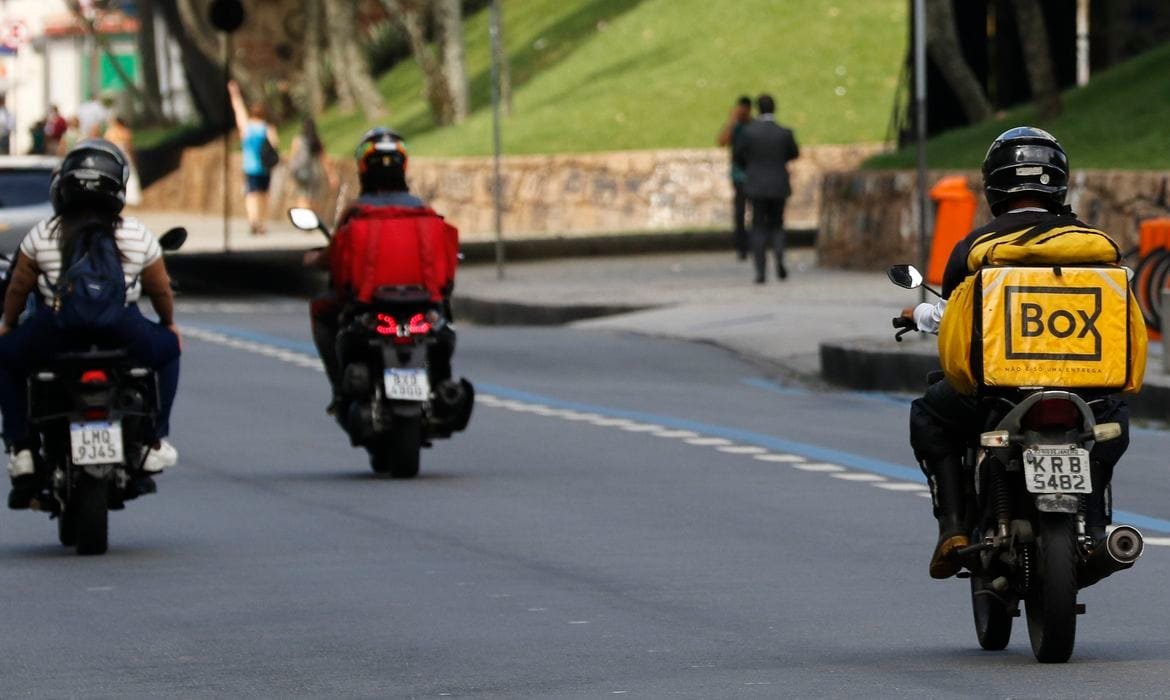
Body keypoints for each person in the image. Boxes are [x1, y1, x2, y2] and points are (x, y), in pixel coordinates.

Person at [904, 127, 1132, 579]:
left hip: (998, 393)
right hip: (1087, 392)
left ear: (994, 184)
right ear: (1059, 183)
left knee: (928, 415)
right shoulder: (1095, 246)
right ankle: (1095, 527)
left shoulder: (976, 248)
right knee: (1113, 425)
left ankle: (953, 529)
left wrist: (920, 314)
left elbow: (953, 316)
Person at [0, 139, 181, 507]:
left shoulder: (44, 233)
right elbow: (161, 290)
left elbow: (18, 287)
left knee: (5, 358)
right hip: (123, 331)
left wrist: (9, 324)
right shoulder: (137, 234)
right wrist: (168, 325)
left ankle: (22, 449)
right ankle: (152, 441)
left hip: (56, 332)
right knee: (169, 350)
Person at [304, 127, 459, 411]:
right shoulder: (423, 212)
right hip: (422, 306)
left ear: (363, 168)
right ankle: (441, 386)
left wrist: (314, 260)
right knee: (444, 319)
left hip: (370, 307)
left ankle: (339, 391)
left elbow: (335, 255)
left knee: (320, 309)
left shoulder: (357, 213)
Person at [734, 94, 799, 284]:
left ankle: (760, 271)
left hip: (756, 184)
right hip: (778, 183)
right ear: (774, 108)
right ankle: (779, 257)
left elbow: (737, 156)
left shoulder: (748, 133)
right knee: (777, 224)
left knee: (758, 226)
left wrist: (752, 168)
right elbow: (794, 153)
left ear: (758, 109)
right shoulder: (784, 132)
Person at [227, 80, 279, 234]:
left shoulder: (247, 127)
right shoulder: (268, 128)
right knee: (264, 195)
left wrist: (234, 94)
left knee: (251, 195)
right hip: (265, 167)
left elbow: (238, 110)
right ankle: (262, 222)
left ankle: (253, 220)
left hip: (250, 167)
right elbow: (275, 145)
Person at [717, 96, 753, 260]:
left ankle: (753, 243)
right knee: (740, 212)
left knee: (755, 211)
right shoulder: (735, 126)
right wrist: (732, 121)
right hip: (739, 176)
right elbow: (722, 142)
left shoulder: (752, 126)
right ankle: (741, 246)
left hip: (753, 174)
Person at [288, 117, 336, 210]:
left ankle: (303, 217)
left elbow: (292, 158)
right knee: (314, 199)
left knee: (302, 198)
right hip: (314, 174)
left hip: (300, 173)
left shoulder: (297, 140)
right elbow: (324, 160)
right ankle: (311, 215)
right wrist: (332, 176)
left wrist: (291, 176)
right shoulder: (317, 141)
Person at [104, 115, 142, 206]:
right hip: (124, 155)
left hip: (115, 155)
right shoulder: (125, 132)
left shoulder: (110, 133)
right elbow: (130, 147)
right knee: (130, 174)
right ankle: (132, 197)